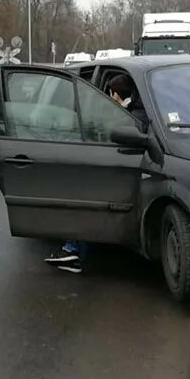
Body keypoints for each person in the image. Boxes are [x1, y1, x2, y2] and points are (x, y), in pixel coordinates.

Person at [44, 74, 145, 273]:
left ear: (114, 94)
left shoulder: (132, 114)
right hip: (118, 166)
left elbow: (116, 133)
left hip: (122, 169)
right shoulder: (134, 109)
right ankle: (72, 250)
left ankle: (72, 251)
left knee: (79, 198)